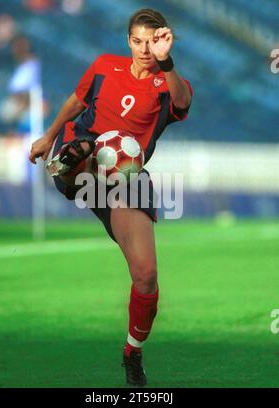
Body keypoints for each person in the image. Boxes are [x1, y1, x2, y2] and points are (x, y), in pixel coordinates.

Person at [29, 8, 193, 387]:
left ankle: (132, 353)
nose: (145, 49)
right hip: (84, 156)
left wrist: (168, 62)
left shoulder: (168, 82)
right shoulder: (104, 66)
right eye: (138, 41)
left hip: (127, 178)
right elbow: (75, 101)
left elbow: (182, 102)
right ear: (128, 41)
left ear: (164, 42)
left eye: (153, 42)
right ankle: (71, 160)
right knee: (80, 155)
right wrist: (46, 135)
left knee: (147, 277)